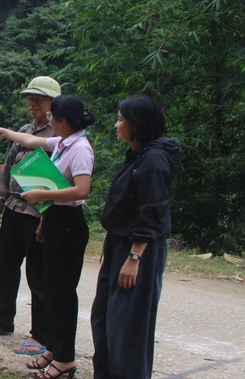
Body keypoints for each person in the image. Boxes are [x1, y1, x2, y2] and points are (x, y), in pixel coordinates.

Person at [0, 95, 96, 379]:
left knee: (62, 293)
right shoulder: (62, 142)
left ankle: (65, 361)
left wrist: (42, 195)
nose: (48, 121)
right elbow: (32, 142)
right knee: (52, 290)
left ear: (63, 121)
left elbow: (82, 190)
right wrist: (6, 133)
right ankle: (53, 352)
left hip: (69, 224)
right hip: (54, 219)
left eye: (52, 117)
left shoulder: (80, 148)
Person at [91, 96, 182, 379]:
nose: (116, 124)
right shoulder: (137, 154)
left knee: (128, 327)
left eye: (121, 119)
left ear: (137, 125)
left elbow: (152, 211)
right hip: (119, 244)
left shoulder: (154, 160)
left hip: (138, 250)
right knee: (104, 318)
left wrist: (134, 257)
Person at [0, 76, 61, 358]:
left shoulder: (59, 135)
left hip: (39, 214)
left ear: (53, 104)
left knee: (38, 274)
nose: (32, 103)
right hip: (14, 209)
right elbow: (7, 171)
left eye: (39, 98)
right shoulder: (24, 130)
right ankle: (3, 321)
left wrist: (49, 217)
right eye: (30, 98)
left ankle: (41, 335)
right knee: (4, 266)